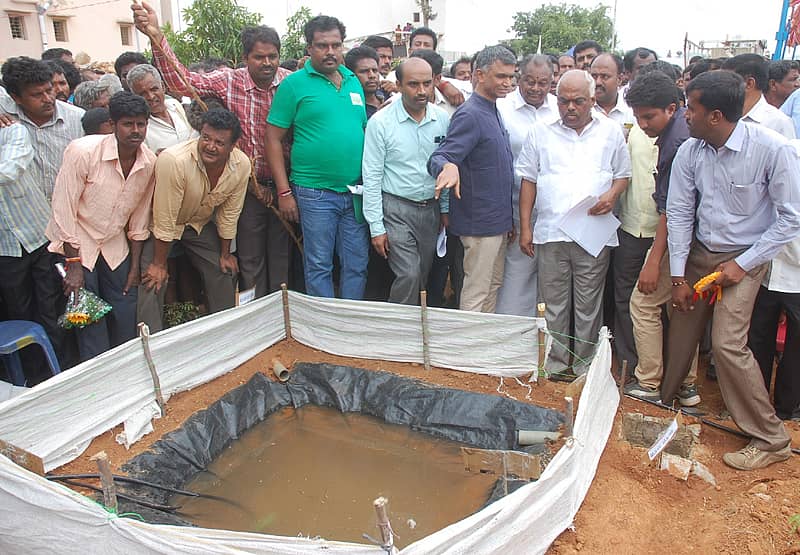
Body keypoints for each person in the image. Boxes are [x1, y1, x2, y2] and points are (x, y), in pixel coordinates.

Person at [663, 70, 800, 470]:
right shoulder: (691, 151)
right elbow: (679, 212)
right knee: (681, 324)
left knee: (726, 343)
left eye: (691, 108)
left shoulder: (773, 150)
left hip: (746, 256)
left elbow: (791, 219)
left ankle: (771, 438)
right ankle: (664, 405)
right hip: (701, 252)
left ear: (716, 116)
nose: (685, 115)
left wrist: (742, 265)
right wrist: (679, 277)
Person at [132, 0, 293, 298]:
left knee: (282, 257)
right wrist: (157, 37)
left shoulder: (291, 82)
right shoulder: (229, 80)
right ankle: (256, 316)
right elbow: (182, 83)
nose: (267, 63)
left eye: (273, 56)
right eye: (259, 57)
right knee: (251, 259)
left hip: (285, 188)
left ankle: (283, 312)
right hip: (247, 187)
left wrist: (284, 191)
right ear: (245, 58)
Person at [516, 69, 631, 376]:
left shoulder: (611, 131)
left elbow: (623, 175)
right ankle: (553, 364)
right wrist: (526, 227)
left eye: (578, 101)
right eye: (563, 101)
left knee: (588, 305)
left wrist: (612, 195)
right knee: (551, 304)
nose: (570, 108)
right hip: (551, 232)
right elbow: (528, 180)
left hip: (592, 235)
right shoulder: (540, 131)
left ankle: (584, 368)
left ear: (592, 100)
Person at [46, 92, 156, 361]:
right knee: (88, 318)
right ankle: (98, 375)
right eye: (128, 124)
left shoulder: (149, 162)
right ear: (113, 124)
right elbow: (63, 208)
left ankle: (126, 369)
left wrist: (134, 267)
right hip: (78, 242)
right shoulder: (82, 151)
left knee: (125, 308)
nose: (136, 131)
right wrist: (73, 264)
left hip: (114, 244)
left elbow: (140, 219)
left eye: (141, 124)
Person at [266, 15, 370, 300]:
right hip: (314, 193)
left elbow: (361, 130)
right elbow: (272, 139)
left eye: (336, 45)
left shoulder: (353, 81)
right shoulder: (293, 85)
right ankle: (323, 323)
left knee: (357, 264)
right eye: (322, 45)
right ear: (309, 48)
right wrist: (284, 192)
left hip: (355, 192)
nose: (330, 51)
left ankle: (349, 320)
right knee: (319, 265)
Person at [623, 70, 699, 404]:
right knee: (680, 308)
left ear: (672, 108)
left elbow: (673, 210)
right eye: (638, 117)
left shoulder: (677, 143)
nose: (642, 124)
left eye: (648, 116)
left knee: (643, 303)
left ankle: (650, 382)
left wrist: (653, 261)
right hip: (692, 238)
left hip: (680, 237)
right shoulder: (680, 132)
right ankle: (686, 384)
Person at [138, 109, 248, 331]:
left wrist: (225, 254)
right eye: (206, 138)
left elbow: (229, 214)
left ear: (233, 146)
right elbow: (164, 218)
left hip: (198, 224)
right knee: (152, 279)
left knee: (223, 269)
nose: (210, 146)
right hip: (161, 227)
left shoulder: (242, 165)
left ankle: (227, 331)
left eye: (219, 142)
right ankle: (151, 341)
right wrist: (159, 264)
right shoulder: (174, 160)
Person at [428, 45, 516, 313]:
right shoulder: (470, 113)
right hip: (479, 224)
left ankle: (482, 339)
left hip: (497, 221)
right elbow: (440, 157)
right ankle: (467, 341)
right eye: (501, 76)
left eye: (511, 76)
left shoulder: (491, 108)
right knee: (477, 292)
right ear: (480, 75)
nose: (508, 83)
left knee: (492, 286)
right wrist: (448, 167)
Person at [362, 58, 450, 305]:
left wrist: (444, 209)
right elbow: (372, 176)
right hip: (396, 209)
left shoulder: (442, 119)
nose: (421, 91)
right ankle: (398, 324)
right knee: (409, 274)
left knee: (422, 274)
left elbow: (446, 167)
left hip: (430, 209)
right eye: (413, 84)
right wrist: (376, 227)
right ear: (398, 85)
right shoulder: (381, 122)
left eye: (426, 83)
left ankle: (411, 323)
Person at [495, 54, 559, 316]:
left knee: (551, 280)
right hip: (513, 207)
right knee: (516, 277)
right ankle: (512, 334)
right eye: (529, 81)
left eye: (543, 83)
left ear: (552, 82)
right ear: (518, 78)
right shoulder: (502, 108)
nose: (535, 88)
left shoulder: (559, 109)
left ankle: (543, 334)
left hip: (553, 210)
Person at [0, 121, 62, 382]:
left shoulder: (12, 131)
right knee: (19, 313)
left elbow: (10, 169)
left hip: (39, 237)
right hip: (5, 248)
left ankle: (59, 370)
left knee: (50, 309)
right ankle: (34, 378)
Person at [0, 56, 84, 202]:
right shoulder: (6, 121)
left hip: (69, 206)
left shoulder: (77, 118)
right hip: (26, 211)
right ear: (16, 98)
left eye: (49, 90)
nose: (48, 99)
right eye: (37, 95)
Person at [126, 63, 197, 153]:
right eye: (142, 94)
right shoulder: (139, 127)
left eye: (154, 89)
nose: (151, 97)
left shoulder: (175, 105)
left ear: (163, 87)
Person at [722, 54, 795, 139]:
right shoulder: (719, 115)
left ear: (749, 84)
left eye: (727, 81)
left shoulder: (779, 123)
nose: (721, 86)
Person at [590, 53, 635, 128]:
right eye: (594, 76)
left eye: (604, 76)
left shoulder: (632, 110)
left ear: (619, 79)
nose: (598, 82)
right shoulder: (582, 108)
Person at [344, 46, 381, 118]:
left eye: (375, 70)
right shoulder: (350, 108)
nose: (372, 75)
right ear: (352, 75)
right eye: (364, 71)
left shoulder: (389, 95)